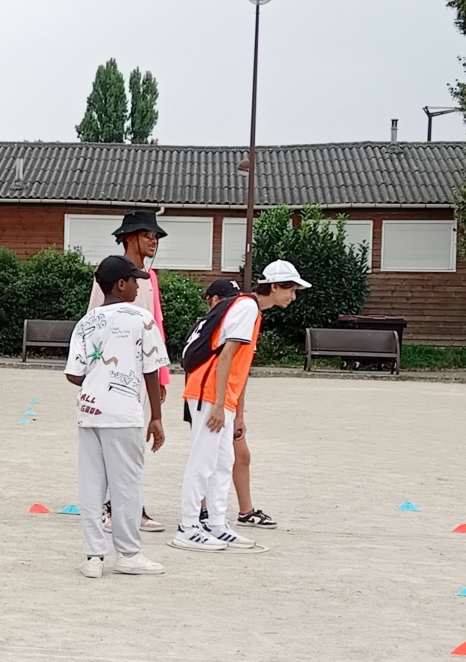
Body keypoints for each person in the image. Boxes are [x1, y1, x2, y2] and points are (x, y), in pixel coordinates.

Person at [174, 261, 310, 552]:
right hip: (209, 393)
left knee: (222, 462)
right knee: (204, 461)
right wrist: (220, 404)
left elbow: (239, 366)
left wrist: (235, 410)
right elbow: (224, 357)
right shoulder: (247, 308)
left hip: (220, 396)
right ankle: (188, 527)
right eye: (290, 289)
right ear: (273, 286)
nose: (293, 296)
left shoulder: (249, 309)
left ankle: (216, 524)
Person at [66, 256, 169, 579]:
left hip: (90, 410)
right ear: (120, 284)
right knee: (126, 485)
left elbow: (74, 374)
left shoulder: (86, 322)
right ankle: (128, 553)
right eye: (135, 281)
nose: (139, 287)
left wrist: (98, 378)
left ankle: (93, 556)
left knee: (92, 484)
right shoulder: (141, 318)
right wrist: (156, 415)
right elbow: (151, 369)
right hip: (124, 414)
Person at [89, 209, 169, 535]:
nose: (153, 240)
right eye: (148, 234)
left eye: (156, 236)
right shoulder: (110, 275)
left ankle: (131, 506)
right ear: (130, 237)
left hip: (141, 373)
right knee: (115, 441)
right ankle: (110, 507)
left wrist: (160, 377)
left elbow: (156, 330)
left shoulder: (150, 280)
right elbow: (94, 323)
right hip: (113, 375)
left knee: (135, 443)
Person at [196, 279, 278, 529]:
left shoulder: (245, 319)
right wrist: (218, 404)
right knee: (207, 458)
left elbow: (239, 374)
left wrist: (239, 415)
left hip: (229, 400)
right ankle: (199, 512)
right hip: (210, 398)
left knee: (239, 455)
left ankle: (245, 511)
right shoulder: (214, 328)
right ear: (213, 300)